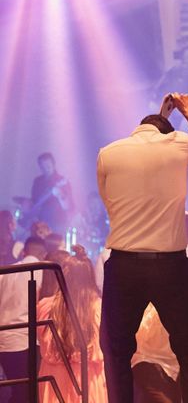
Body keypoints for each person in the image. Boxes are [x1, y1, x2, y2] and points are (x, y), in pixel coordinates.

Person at [97, 94, 188, 403]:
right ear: (167, 131)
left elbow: (110, 203)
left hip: (124, 264)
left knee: (116, 352)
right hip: (169, 266)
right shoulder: (177, 143)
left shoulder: (108, 153)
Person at [37, 246, 106, 402]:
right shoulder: (100, 308)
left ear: (64, 275)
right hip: (89, 376)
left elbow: (43, 342)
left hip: (54, 377)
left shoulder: (46, 306)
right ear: (90, 276)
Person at [0, 236, 46, 403]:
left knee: (18, 390)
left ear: (24, 251)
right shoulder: (41, 269)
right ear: (44, 254)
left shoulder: (5, 271)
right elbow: (39, 304)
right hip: (24, 341)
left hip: (4, 339)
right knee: (27, 393)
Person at [29, 153, 74, 234]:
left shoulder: (62, 181)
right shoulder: (37, 181)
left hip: (58, 223)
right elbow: (34, 201)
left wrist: (60, 194)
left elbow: (69, 205)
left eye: (48, 166)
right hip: (40, 222)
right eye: (42, 167)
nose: (45, 169)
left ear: (53, 164)